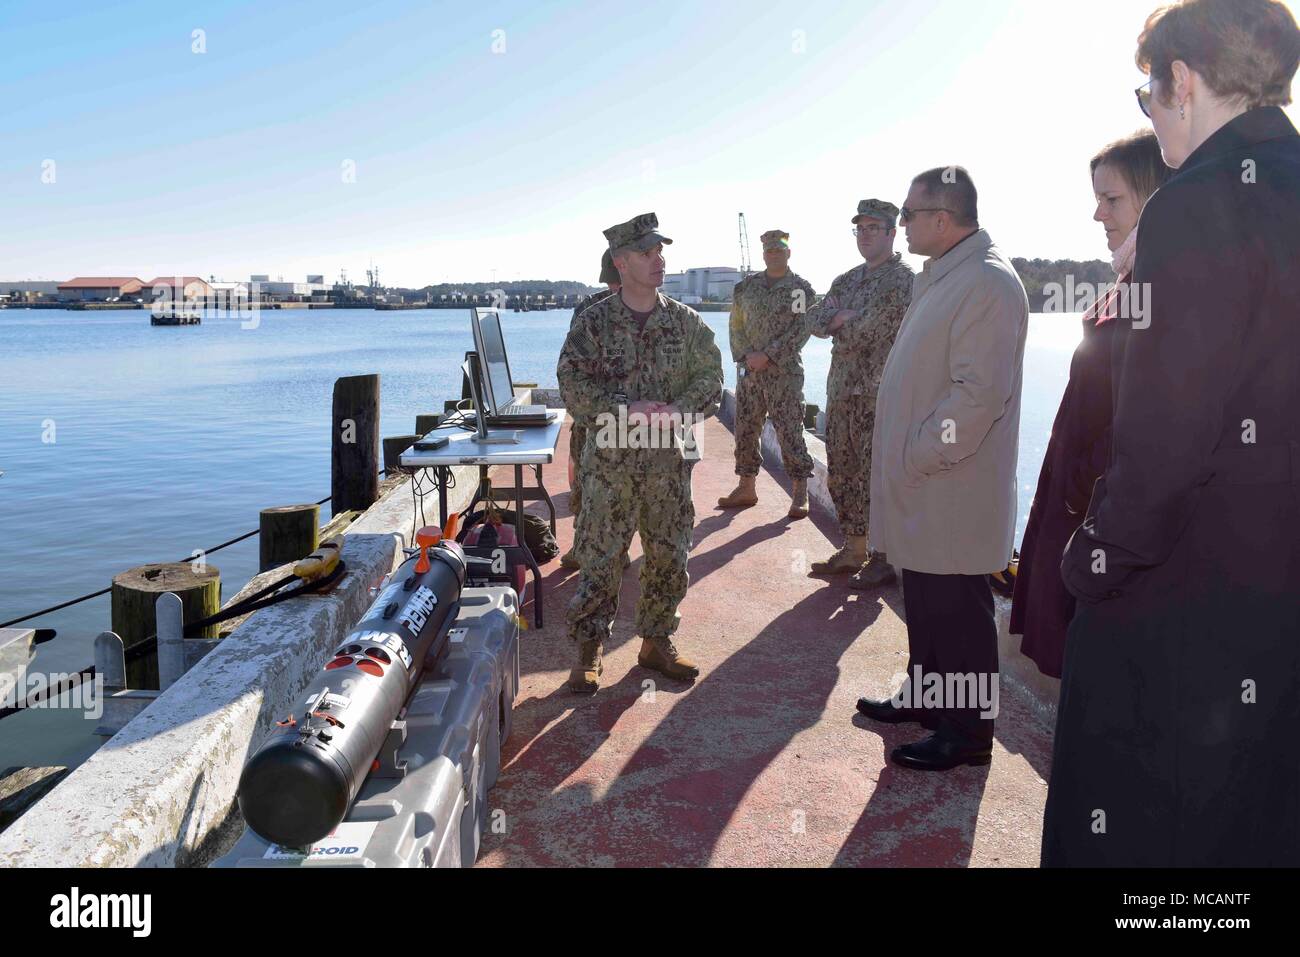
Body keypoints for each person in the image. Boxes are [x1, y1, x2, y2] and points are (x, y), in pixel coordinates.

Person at [1044, 0, 1300, 866]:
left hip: (1189, 603)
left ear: (1181, 82)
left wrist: (1089, 558)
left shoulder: (1193, 206)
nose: (1152, 116)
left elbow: (1161, 449)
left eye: (1149, 95)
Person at [857, 168, 1028, 771]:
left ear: (942, 218)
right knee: (928, 603)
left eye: (908, 213)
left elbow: (977, 396)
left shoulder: (985, 283)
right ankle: (929, 701)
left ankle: (967, 736)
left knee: (959, 613)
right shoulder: (947, 277)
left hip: (951, 483)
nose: (902, 224)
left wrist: (919, 451)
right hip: (929, 485)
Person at [1010, 131, 1172, 678]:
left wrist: (1084, 503)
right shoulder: (1127, 284)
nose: (1097, 214)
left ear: (1157, 198)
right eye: (1097, 198)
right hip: (1082, 514)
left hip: (1103, 528)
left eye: (1112, 199)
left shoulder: (1163, 290)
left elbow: (1148, 426)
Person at [556, 213, 723, 693]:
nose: (659, 260)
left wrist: (677, 409)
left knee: (669, 554)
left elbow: (711, 377)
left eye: (660, 252)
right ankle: (589, 651)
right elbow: (571, 383)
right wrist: (625, 409)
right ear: (621, 262)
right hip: (610, 464)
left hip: (670, 463)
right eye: (647, 253)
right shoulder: (594, 322)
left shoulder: (685, 322)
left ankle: (656, 642)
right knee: (602, 556)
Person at [806, 200, 914, 580]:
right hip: (841, 393)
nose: (866, 235)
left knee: (878, 477)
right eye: (860, 228)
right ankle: (853, 549)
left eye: (873, 228)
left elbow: (868, 332)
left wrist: (841, 322)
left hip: (878, 396)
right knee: (843, 471)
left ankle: (883, 556)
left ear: (891, 232)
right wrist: (836, 318)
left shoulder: (903, 280)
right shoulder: (846, 280)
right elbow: (814, 322)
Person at [717, 229, 817, 518]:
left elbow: (802, 328)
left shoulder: (799, 289)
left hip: (783, 374)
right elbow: (735, 324)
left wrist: (769, 354)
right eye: (769, 250)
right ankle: (746, 486)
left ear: (789, 253)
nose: (774, 254)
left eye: (779, 250)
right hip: (749, 371)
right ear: (763, 254)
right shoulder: (746, 287)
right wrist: (747, 354)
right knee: (745, 429)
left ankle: (800, 491)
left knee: (789, 431)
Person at [559, 250, 621, 569]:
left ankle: (618, 551)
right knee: (583, 484)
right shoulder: (588, 308)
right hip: (592, 413)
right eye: (611, 282)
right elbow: (572, 362)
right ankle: (582, 545)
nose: (615, 289)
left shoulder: (658, 312)